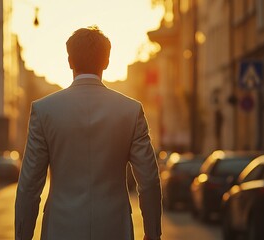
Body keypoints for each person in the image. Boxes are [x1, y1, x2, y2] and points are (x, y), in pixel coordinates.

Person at [15, 25, 162, 240]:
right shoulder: (131, 111)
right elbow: (149, 180)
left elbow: (29, 185)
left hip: (60, 229)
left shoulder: (44, 110)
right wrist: (152, 235)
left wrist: (22, 237)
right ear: (107, 62)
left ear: (69, 61)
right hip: (115, 229)